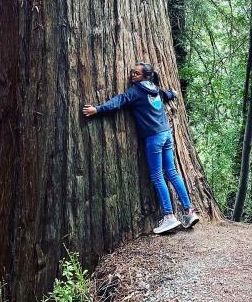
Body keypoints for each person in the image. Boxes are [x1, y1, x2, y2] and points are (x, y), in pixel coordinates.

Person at [82, 61, 200, 234]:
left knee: (158, 176)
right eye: (132, 72)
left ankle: (169, 217)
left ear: (145, 76)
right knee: (172, 173)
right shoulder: (154, 88)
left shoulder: (136, 91)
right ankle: (189, 212)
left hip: (154, 137)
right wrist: (173, 93)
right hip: (166, 134)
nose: (132, 75)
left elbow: (119, 101)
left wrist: (97, 109)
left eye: (136, 73)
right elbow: (166, 95)